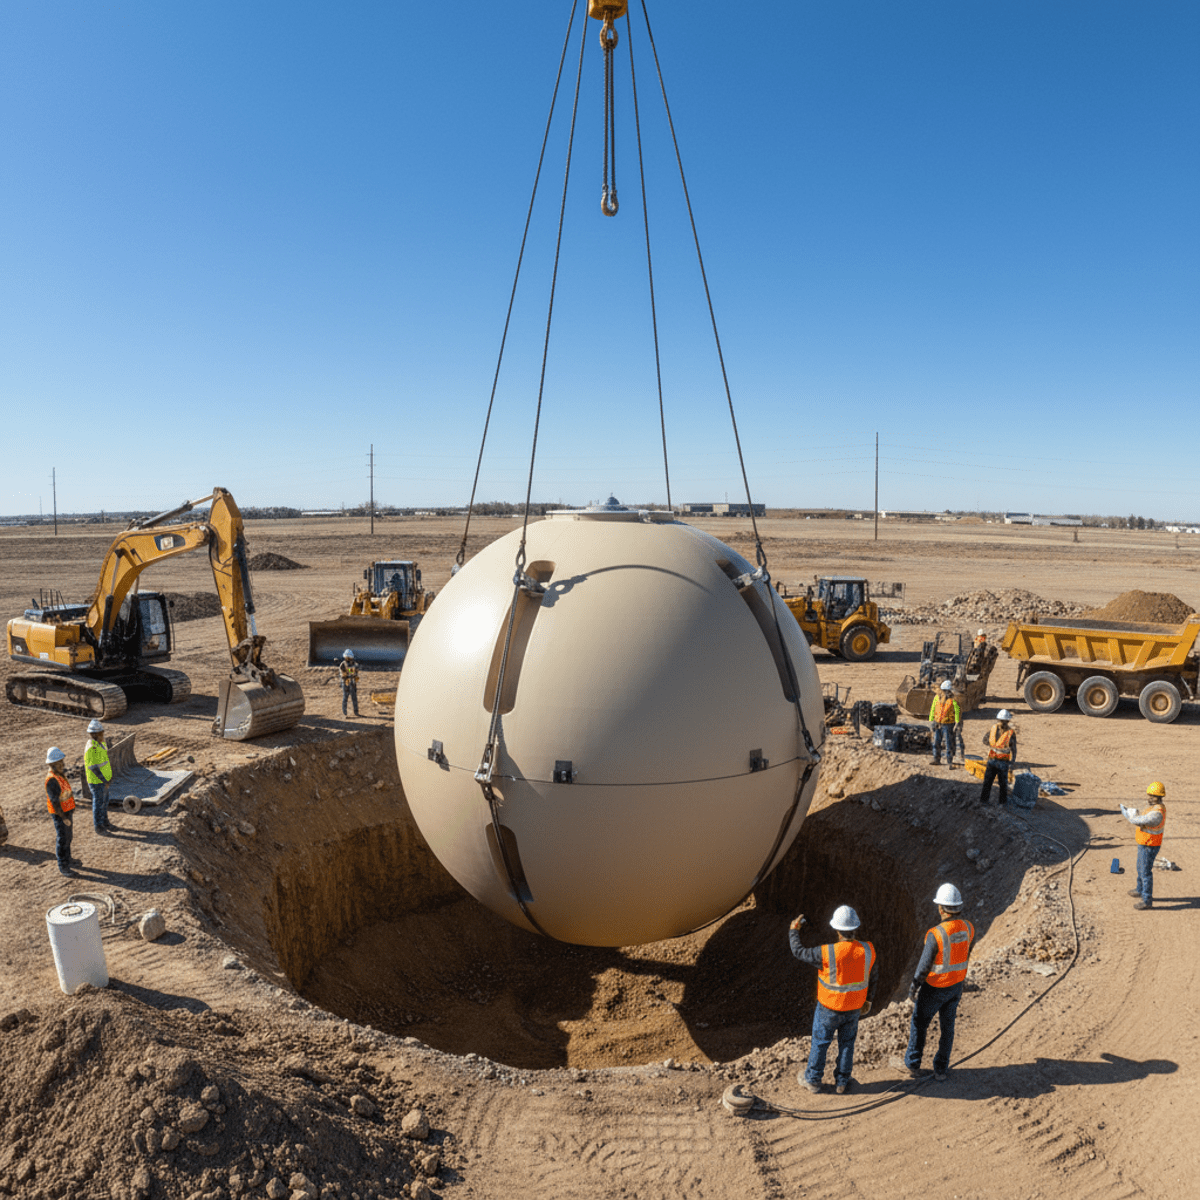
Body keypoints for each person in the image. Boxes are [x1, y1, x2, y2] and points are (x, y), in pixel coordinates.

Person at [789, 905, 878, 1095]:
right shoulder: (868, 950)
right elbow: (874, 976)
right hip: (854, 1007)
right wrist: (868, 1001)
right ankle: (842, 1081)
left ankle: (813, 1080)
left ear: (837, 930)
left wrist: (794, 931)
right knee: (847, 1043)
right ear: (855, 928)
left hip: (829, 1008)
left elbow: (798, 952)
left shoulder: (827, 953)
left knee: (821, 1042)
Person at [905, 883, 975, 1082]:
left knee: (919, 1022)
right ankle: (941, 1070)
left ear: (941, 909)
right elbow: (966, 952)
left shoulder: (936, 934)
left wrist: (914, 986)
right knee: (947, 1028)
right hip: (956, 986)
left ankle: (913, 1064)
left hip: (935, 987)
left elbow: (923, 967)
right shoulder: (969, 928)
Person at [1123, 782, 1167, 910]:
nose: (1149, 798)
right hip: (1145, 842)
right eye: (1149, 796)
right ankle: (1139, 889)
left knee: (1145, 872)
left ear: (1159, 797)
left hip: (1150, 845)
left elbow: (1138, 821)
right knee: (1140, 867)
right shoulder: (1155, 808)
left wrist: (1131, 816)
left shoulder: (1156, 813)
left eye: (1152, 797)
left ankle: (1147, 899)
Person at [45, 747, 80, 878]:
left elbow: (65, 793)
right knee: (62, 839)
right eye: (60, 762)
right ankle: (63, 866)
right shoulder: (52, 779)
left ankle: (68, 858)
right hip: (60, 815)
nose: (63, 764)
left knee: (68, 837)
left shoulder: (59, 775)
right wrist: (64, 816)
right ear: (52, 764)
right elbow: (54, 802)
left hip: (66, 812)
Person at [84, 718, 115, 835]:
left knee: (105, 801)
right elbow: (94, 768)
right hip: (97, 781)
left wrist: (108, 777)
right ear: (95, 734)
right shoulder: (92, 748)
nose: (103, 734)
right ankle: (98, 826)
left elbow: (104, 761)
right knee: (98, 803)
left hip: (104, 779)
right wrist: (104, 780)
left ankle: (105, 822)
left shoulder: (100, 744)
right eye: (101, 733)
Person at [979, 709, 1016, 805]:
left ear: (998, 719)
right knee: (1003, 784)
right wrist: (1012, 763)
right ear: (1008, 721)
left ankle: (983, 801)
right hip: (1003, 761)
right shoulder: (1010, 733)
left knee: (987, 782)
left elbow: (984, 741)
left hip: (992, 760)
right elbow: (1014, 749)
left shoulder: (993, 728)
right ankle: (1002, 804)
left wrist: (993, 744)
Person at [929, 680, 961, 766]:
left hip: (948, 724)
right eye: (943, 690)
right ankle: (936, 759)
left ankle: (949, 760)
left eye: (946, 690)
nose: (944, 692)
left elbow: (957, 711)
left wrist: (957, 722)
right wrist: (931, 719)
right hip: (937, 723)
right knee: (936, 742)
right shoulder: (937, 697)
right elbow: (933, 708)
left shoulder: (953, 699)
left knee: (948, 742)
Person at [339, 649, 360, 717]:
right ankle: (345, 712)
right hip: (346, 682)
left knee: (354, 698)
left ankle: (355, 712)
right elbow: (343, 674)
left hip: (352, 683)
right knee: (346, 697)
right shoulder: (343, 664)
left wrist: (355, 676)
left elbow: (355, 673)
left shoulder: (354, 664)